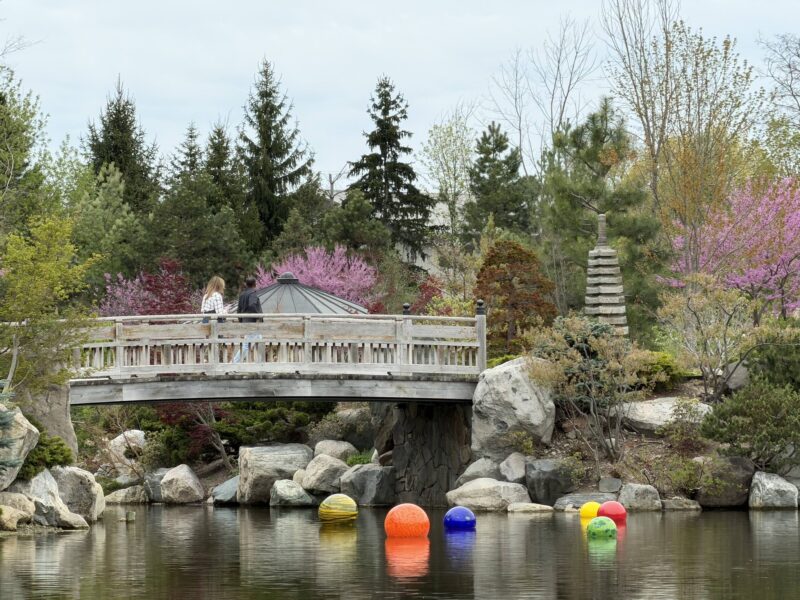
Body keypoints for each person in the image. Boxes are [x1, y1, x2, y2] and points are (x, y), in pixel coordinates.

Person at [233, 276, 263, 363]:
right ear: (254, 284)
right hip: (253, 322)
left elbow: (239, 309)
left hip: (245, 321)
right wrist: (258, 316)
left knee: (259, 340)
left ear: (246, 284)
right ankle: (235, 363)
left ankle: (259, 363)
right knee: (247, 345)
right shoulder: (253, 293)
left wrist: (240, 320)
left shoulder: (242, 294)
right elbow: (252, 305)